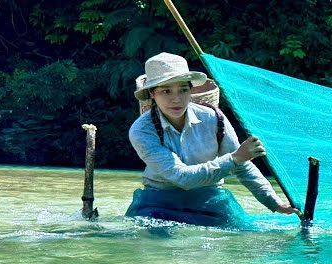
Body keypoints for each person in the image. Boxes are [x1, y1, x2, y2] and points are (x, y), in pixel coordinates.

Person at [126, 52, 300, 227]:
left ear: (191, 91)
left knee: (246, 234)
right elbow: (182, 177)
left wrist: (275, 203)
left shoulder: (213, 118)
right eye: (166, 91)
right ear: (152, 94)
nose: (176, 99)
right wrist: (234, 158)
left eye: (183, 90)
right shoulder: (142, 131)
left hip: (209, 198)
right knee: (158, 243)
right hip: (159, 200)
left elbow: (243, 167)